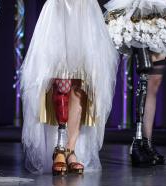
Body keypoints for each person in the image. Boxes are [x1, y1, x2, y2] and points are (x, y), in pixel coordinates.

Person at [21, 0, 119, 175]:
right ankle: (58, 148)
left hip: (85, 13)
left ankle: (70, 149)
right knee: (61, 82)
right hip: (60, 11)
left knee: (80, 83)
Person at [105, 0, 166, 167]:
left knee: (154, 82)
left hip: (164, 7)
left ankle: (146, 143)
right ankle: (137, 142)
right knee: (145, 70)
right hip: (140, 7)